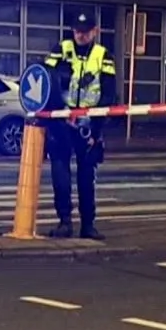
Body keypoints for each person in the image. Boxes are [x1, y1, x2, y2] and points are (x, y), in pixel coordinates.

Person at [43, 14, 117, 240]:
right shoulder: (61, 50)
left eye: (85, 31)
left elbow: (108, 94)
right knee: (60, 173)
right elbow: (44, 79)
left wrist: (96, 131)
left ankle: (88, 226)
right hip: (62, 122)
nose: (81, 35)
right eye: (77, 30)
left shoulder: (102, 55)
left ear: (95, 31)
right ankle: (64, 222)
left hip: (87, 124)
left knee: (87, 177)